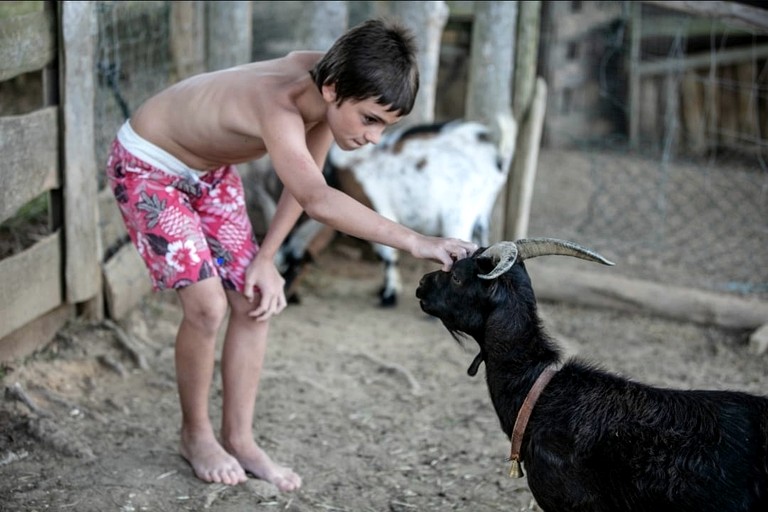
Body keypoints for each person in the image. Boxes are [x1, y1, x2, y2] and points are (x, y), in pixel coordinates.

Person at [105, 18, 478, 492]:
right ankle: (195, 434)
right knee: (207, 307)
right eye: (370, 120)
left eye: (386, 126)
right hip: (149, 167)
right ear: (332, 89)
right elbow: (321, 201)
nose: (374, 138)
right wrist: (418, 241)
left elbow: (307, 187)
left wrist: (267, 258)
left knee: (253, 299)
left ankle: (239, 439)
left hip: (209, 172)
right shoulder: (279, 102)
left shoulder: (329, 86)